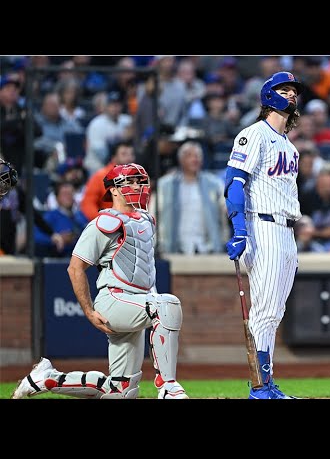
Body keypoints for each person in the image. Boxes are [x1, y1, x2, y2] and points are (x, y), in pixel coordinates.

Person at [12, 163, 189, 399]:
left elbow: (145, 270)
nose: (137, 186)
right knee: (167, 305)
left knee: (121, 391)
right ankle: (168, 386)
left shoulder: (146, 220)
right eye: (130, 182)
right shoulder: (103, 223)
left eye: (140, 181)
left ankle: (44, 379)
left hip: (138, 302)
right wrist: (89, 311)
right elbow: (75, 268)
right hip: (115, 300)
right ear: (113, 190)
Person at [223, 71, 304, 399]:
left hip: (286, 230)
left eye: (294, 91)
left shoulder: (289, 146)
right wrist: (240, 229)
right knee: (265, 312)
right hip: (263, 228)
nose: (291, 95)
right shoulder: (253, 134)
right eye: (284, 90)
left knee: (274, 312)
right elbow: (233, 182)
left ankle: (267, 383)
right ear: (269, 95)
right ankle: (260, 387)